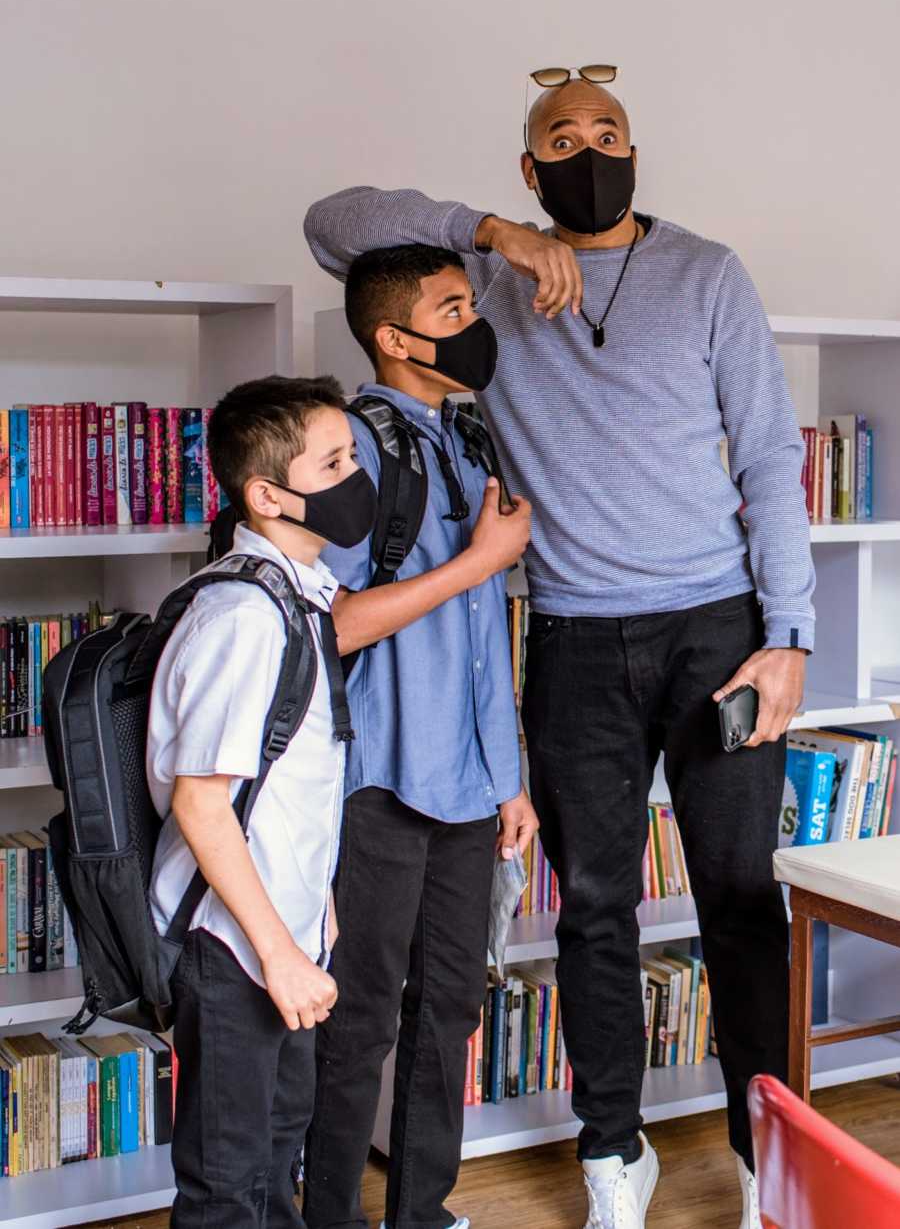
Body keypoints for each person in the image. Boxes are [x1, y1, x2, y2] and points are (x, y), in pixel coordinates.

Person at [303, 73, 815, 1229]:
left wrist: (788, 637)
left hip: (717, 630)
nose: (589, 153)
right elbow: (331, 224)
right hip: (576, 636)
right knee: (593, 909)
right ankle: (612, 1159)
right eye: (561, 141)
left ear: (639, 151)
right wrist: (491, 234)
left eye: (609, 135)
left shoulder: (706, 273)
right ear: (531, 172)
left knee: (740, 901)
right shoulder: (478, 285)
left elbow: (770, 452)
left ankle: (758, 1153)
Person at [302, 243, 538, 1229]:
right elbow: (337, 621)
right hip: (379, 784)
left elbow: (488, 638)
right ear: (395, 339)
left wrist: (510, 776)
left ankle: (422, 1211)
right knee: (355, 1019)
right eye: (453, 307)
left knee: (450, 1009)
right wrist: (481, 559)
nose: (477, 322)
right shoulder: (349, 445)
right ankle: (327, 1218)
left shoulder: (471, 436)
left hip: (470, 781)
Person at [147, 375, 376, 1229]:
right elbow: (203, 805)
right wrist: (280, 953)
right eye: (334, 462)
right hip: (236, 945)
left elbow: (284, 782)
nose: (357, 478)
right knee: (228, 1184)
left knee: (279, 1150)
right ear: (268, 494)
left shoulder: (299, 596)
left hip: (284, 932)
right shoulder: (244, 615)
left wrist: (312, 915)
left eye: (354, 456)